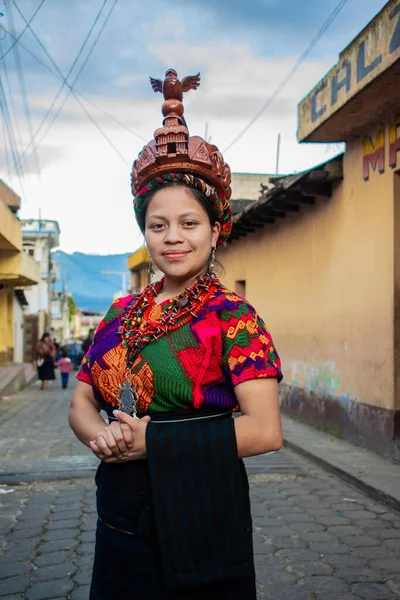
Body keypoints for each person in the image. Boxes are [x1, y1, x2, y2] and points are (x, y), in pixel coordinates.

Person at [69, 68, 283, 600]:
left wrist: (153, 442)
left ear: (215, 230)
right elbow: (80, 402)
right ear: (144, 231)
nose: (173, 238)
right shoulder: (119, 313)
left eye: (189, 223)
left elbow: (264, 431)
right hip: (119, 517)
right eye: (158, 225)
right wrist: (103, 437)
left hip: (202, 513)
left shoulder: (234, 317)